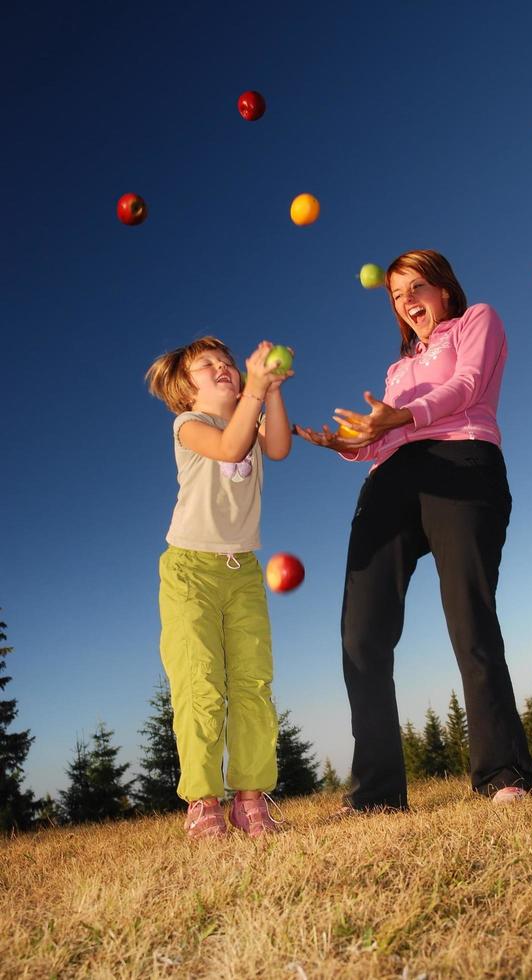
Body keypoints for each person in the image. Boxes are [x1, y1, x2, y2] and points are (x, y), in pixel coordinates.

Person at [296, 249, 532, 810]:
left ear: (443, 290)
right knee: (362, 635)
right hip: (390, 481)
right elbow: (381, 441)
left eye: (415, 288)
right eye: (396, 296)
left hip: (461, 463)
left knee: (468, 615)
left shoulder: (478, 319)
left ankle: (503, 773)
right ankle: (378, 795)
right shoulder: (397, 369)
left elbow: (468, 386)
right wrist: (348, 443)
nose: (406, 302)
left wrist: (402, 417)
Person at [146, 336, 293, 838]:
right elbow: (229, 447)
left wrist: (270, 389)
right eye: (208, 366)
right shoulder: (189, 425)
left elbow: (278, 446)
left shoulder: (250, 419)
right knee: (200, 683)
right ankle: (204, 803)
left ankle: (250, 800)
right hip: (189, 571)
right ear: (188, 392)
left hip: (243, 570)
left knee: (253, 683)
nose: (223, 368)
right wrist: (254, 387)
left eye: (227, 362)